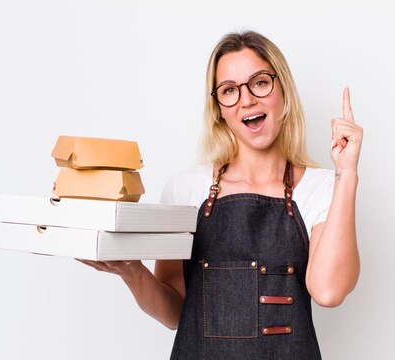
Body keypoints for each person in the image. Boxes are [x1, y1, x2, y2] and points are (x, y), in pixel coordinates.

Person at [78, 30, 362, 359]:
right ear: (219, 109)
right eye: (229, 90)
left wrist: (348, 173)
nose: (247, 99)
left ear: (282, 89)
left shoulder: (322, 187)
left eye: (259, 82)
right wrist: (132, 272)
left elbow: (328, 291)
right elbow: (175, 314)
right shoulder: (185, 190)